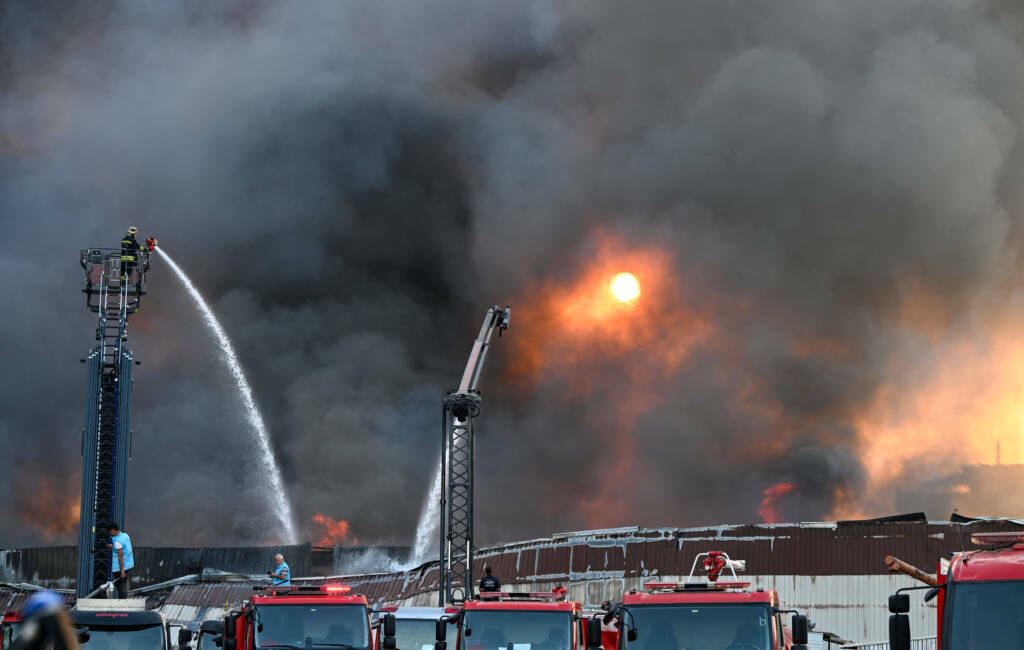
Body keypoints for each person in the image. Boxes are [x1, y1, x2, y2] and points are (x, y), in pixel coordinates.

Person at [105, 522, 134, 598]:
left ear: (112, 530)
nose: (110, 534)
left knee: (120, 587)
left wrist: (122, 571)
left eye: (110, 532)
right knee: (124, 585)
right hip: (128, 565)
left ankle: (122, 603)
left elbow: (120, 557)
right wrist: (113, 546)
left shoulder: (118, 542)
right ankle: (125, 600)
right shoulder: (125, 535)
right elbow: (123, 547)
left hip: (120, 568)